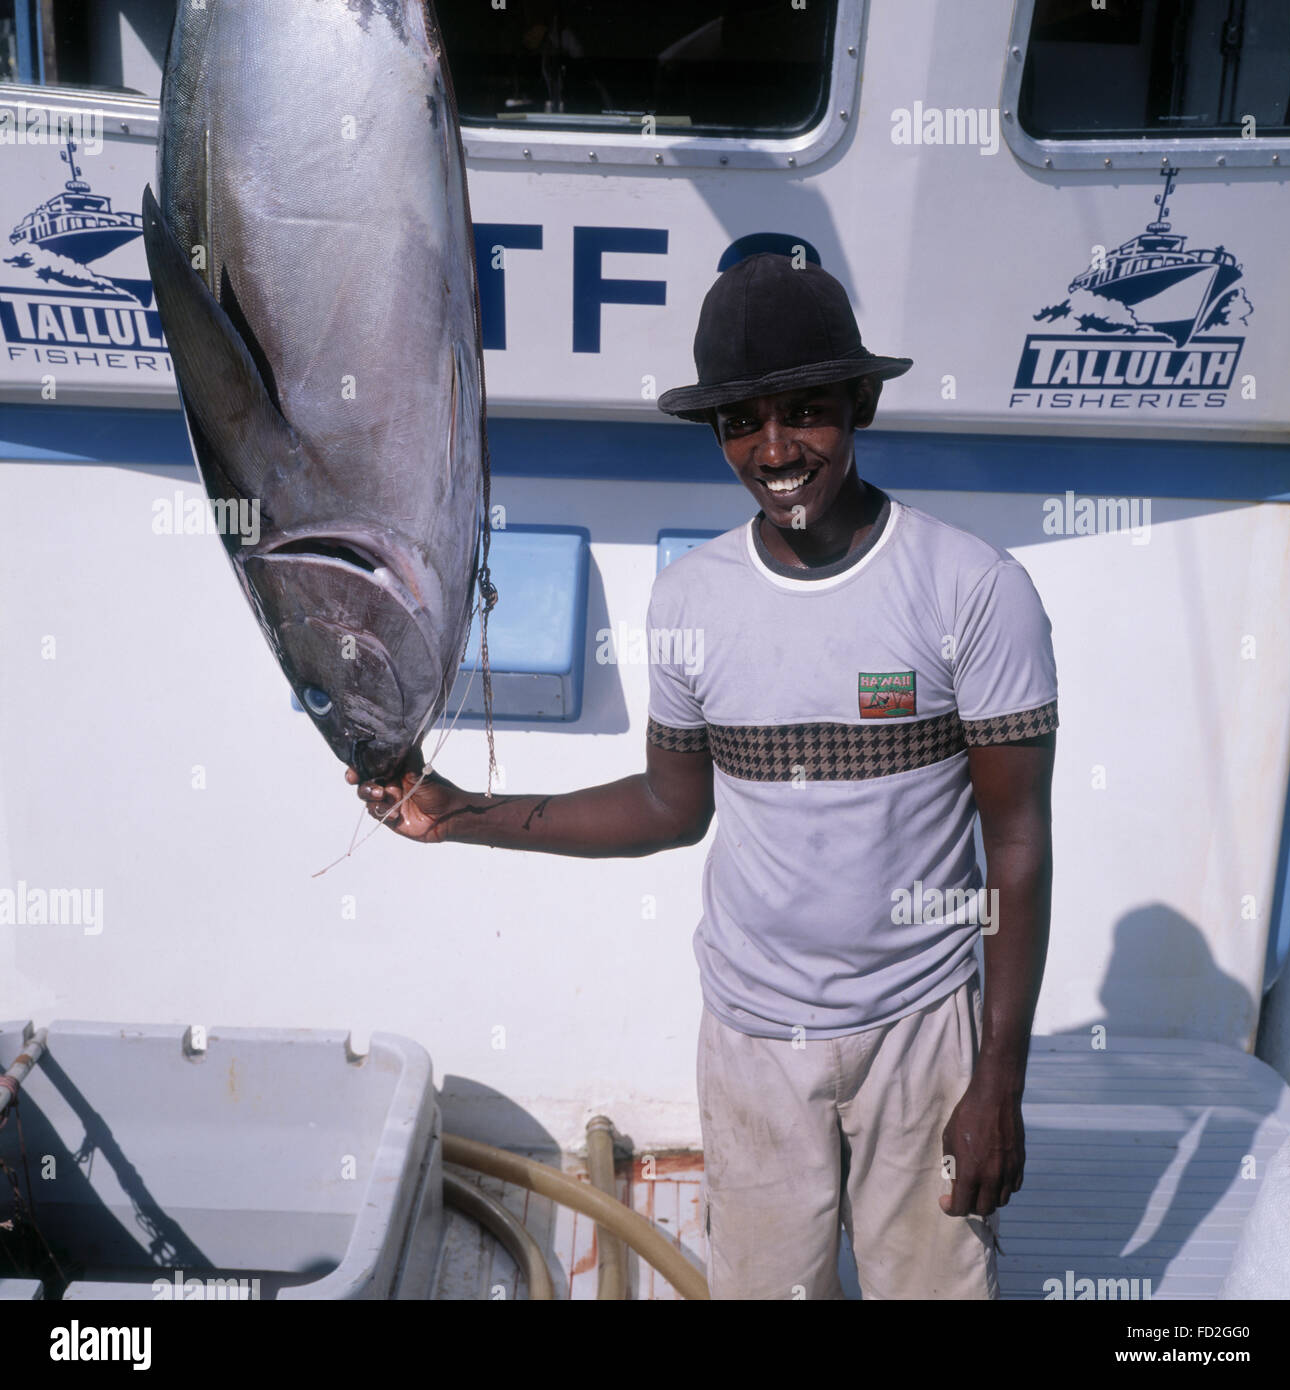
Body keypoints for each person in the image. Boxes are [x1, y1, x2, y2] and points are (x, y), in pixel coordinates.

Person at [349, 252, 1058, 1300]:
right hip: (751, 1037)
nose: (775, 449)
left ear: (860, 403)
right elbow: (667, 806)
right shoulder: (688, 600)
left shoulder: (975, 588)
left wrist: (997, 1074)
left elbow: (1017, 844)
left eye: (806, 411)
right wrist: (462, 813)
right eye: (742, 421)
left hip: (922, 1030)